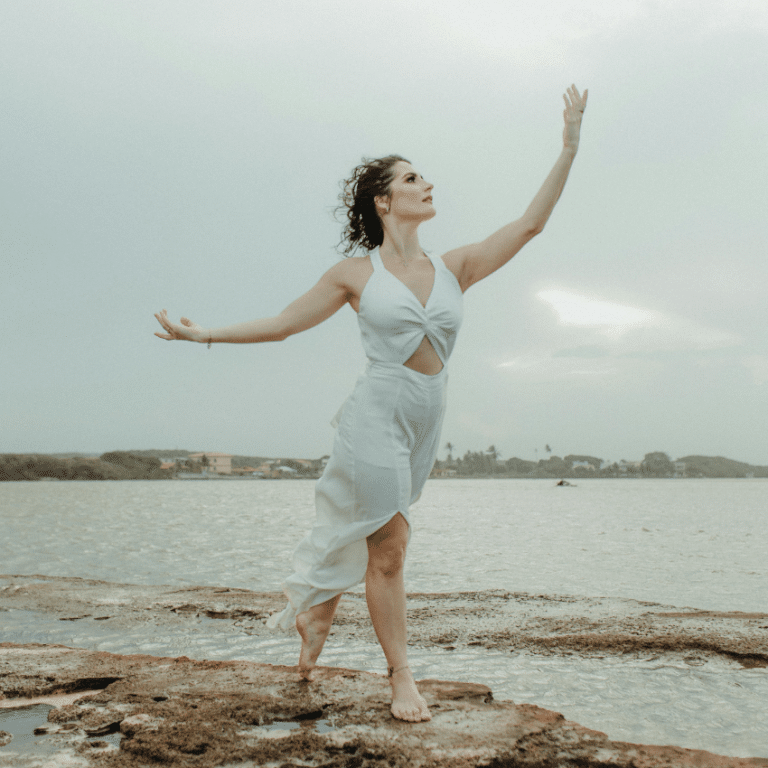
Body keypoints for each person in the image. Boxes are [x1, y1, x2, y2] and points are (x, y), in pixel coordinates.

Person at [155, 84, 588, 723]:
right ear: (384, 200)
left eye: (425, 177)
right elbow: (281, 324)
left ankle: (320, 608)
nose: (427, 185)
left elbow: (531, 223)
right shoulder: (354, 275)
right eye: (413, 179)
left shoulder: (457, 266)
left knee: (380, 534)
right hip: (374, 416)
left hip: (424, 420)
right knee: (390, 542)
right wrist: (202, 334)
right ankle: (401, 679)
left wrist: (569, 145)